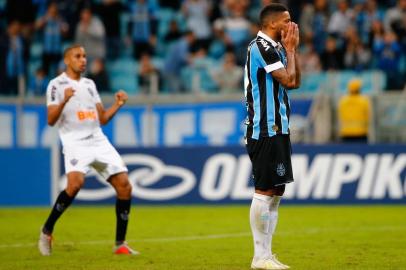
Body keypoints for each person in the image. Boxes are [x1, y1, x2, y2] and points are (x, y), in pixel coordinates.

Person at [38, 45, 137, 256]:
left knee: (125, 186)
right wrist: (64, 99)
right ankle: (47, 231)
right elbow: (50, 120)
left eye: (84, 56)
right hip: (75, 142)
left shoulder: (90, 84)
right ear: (67, 60)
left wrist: (117, 105)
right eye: (78, 56)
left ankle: (120, 244)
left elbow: (102, 119)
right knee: (75, 185)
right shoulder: (56, 85)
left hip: (98, 140)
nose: (83, 60)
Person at [244, 3, 300, 270]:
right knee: (265, 191)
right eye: (287, 21)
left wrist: (291, 50)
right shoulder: (261, 47)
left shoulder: (276, 49)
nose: (291, 25)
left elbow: (295, 81)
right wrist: (291, 49)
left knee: (276, 191)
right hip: (264, 129)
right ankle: (259, 257)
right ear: (272, 24)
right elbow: (288, 81)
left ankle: (267, 253)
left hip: (279, 128)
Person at [338, 78, 371, 143]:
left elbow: (340, 115)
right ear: (359, 88)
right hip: (361, 133)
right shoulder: (364, 101)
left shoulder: (343, 101)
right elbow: (368, 115)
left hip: (346, 133)